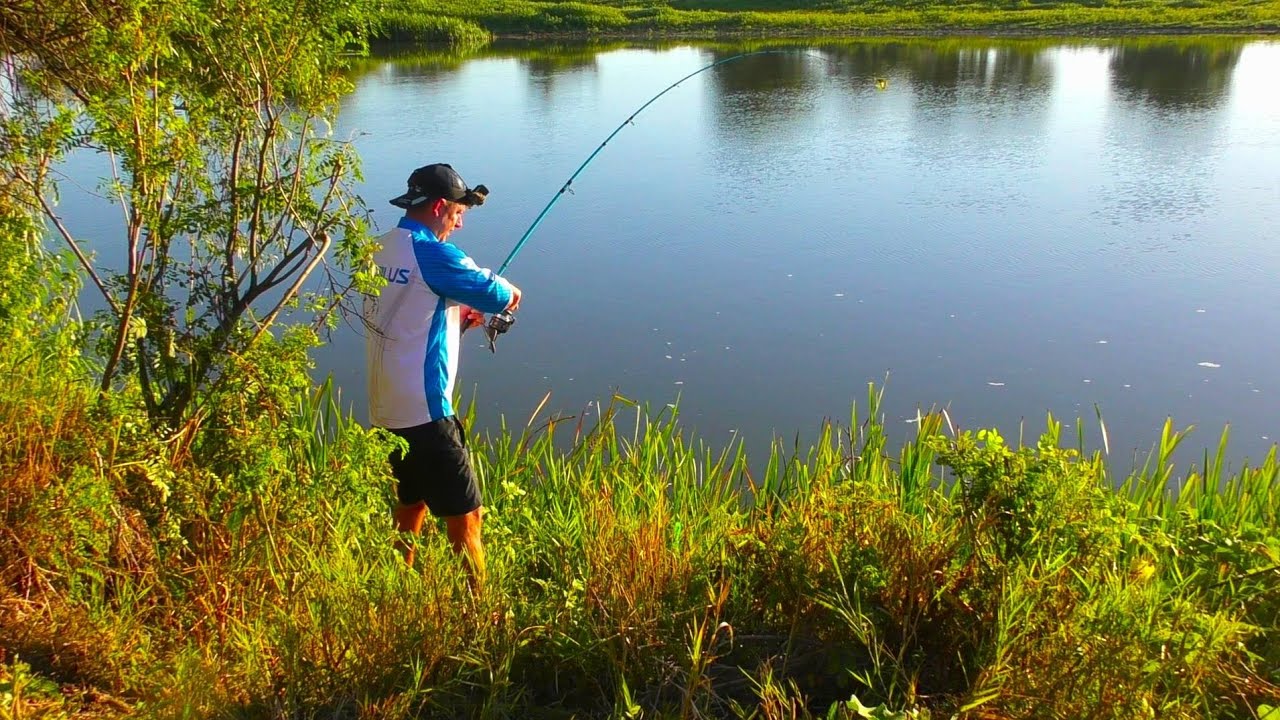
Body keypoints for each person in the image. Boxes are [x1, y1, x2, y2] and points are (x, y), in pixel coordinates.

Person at [364, 163, 522, 585]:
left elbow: (406, 311)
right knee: (467, 515)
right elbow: (497, 294)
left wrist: (456, 318)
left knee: (411, 504)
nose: (459, 222)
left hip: (385, 410)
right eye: (457, 213)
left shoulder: (378, 250)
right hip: (426, 411)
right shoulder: (433, 253)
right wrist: (510, 292)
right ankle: (478, 612)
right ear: (438, 206)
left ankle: (399, 585)